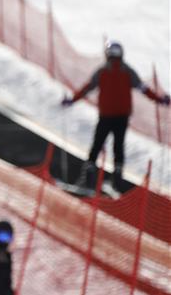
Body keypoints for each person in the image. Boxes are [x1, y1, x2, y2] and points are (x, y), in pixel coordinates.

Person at [61, 40, 170, 191]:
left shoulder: (103, 71)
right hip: (121, 117)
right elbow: (143, 89)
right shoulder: (127, 71)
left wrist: (72, 100)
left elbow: (87, 88)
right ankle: (116, 182)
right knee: (118, 147)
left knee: (97, 145)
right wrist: (159, 99)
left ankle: (88, 179)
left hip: (106, 116)